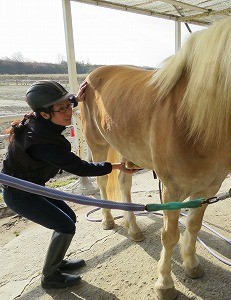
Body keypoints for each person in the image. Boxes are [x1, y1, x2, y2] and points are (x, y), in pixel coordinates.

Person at [1, 80, 137, 289]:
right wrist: (116, 166)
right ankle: (50, 276)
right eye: (62, 108)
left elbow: (61, 106)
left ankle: (58, 260)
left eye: (68, 105)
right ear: (44, 113)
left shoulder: (41, 120)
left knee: (69, 218)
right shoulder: (43, 143)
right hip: (20, 194)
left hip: (33, 186)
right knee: (64, 225)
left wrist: (75, 98)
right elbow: (81, 168)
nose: (69, 112)